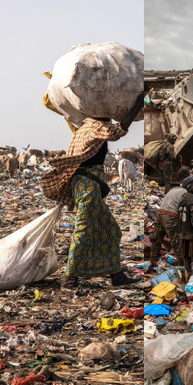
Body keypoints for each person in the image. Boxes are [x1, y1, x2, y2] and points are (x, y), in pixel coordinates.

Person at [42, 94, 145, 288]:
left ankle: (116, 275)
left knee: (110, 229)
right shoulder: (96, 127)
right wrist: (137, 105)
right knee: (82, 228)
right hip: (88, 186)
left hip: (87, 184)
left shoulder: (84, 127)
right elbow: (118, 131)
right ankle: (70, 276)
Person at [150, 180, 189, 265]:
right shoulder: (185, 193)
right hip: (171, 216)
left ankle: (152, 262)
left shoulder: (174, 189)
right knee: (175, 241)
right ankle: (180, 265)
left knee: (156, 239)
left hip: (160, 214)